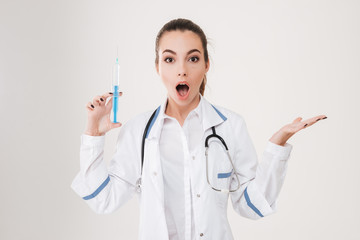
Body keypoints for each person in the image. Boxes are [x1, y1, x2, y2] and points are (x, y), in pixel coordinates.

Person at [71, 18, 327, 240]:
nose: (182, 70)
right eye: (169, 59)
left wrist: (277, 145)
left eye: (193, 58)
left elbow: (252, 206)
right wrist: (93, 133)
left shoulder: (230, 126)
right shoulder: (139, 131)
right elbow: (103, 200)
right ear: (157, 67)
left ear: (206, 65)